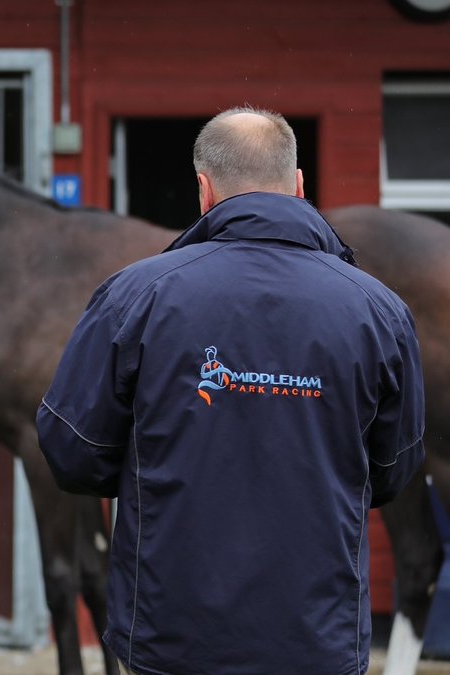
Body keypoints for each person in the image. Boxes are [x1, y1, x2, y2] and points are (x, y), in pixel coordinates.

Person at [37, 106, 425, 675]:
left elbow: (73, 454)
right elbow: (392, 469)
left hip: (170, 636)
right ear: (298, 186)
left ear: (203, 190)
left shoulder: (135, 297)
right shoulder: (378, 311)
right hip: (316, 638)